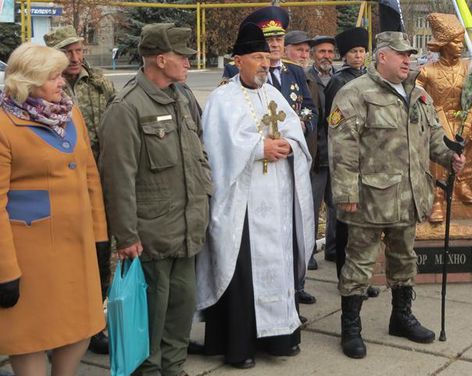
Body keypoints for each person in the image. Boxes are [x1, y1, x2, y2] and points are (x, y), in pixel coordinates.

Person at [328, 31, 465, 359]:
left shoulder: (418, 95)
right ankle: (351, 328)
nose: (408, 60)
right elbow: (342, 149)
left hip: (408, 195)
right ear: (382, 57)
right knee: (359, 265)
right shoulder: (355, 94)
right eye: (401, 54)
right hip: (369, 199)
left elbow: (432, 136)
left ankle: (401, 317)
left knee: (404, 259)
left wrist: (449, 156)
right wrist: (346, 192)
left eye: (410, 55)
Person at [196, 21, 315, 369]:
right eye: (258, 57)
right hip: (242, 204)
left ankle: (278, 340)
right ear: (238, 60)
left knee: (277, 266)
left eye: (267, 57)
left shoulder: (274, 95)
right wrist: (256, 147)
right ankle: (240, 345)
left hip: (275, 201)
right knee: (243, 272)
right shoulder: (222, 98)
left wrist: (289, 146)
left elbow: (295, 132)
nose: (265, 64)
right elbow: (216, 149)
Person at [99, 23, 211, 375]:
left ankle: (174, 369)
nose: (189, 63)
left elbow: (198, 157)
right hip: (151, 236)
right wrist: (127, 235)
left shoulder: (182, 97)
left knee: (180, 316)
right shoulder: (127, 106)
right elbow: (118, 178)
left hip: (186, 232)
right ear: (161, 60)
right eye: (183, 57)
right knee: (148, 321)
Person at [0, 43, 108, 376]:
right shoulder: (4, 125)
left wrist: (101, 238)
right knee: (30, 338)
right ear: (27, 81)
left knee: (79, 328)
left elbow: (91, 176)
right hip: (31, 259)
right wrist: (5, 272)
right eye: (53, 76)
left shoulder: (70, 112)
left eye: (61, 74)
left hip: (77, 249)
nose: (62, 82)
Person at [44, 25, 116, 355]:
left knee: (101, 255)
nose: (76, 57)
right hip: (61, 186)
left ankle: (96, 324)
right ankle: (57, 324)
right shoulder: (43, 86)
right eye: (68, 52)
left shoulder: (99, 82)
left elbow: (117, 121)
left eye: (79, 50)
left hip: (100, 180)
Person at [241, 9, 317, 307]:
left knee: (293, 225)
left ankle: (296, 286)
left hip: (290, 160)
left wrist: (301, 125)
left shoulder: (294, 72)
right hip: (261, 167)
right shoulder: (239, 72)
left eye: (278, 38)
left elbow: (309, 108)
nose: (274, 44)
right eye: (269, 39)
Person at [417, 13, 472, 221]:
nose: (460, 46)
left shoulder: (470, 67)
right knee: (441, 143)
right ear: (444, 45)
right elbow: (415, 98)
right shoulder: (427, 71)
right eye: (456, 42)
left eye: (461, 42)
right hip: (438, 121)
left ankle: (462, 181)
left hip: (464, 119)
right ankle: (437, 198)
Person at [323, 27, 379, 298]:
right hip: (347, 155)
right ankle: (346, 278)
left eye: (361, 52)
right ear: (345, 56)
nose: (359, 56)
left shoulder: (370, 78)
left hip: (367, 158)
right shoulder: (339, 81)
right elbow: (333, 119)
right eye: (354, 52)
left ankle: (362, 279)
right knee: (346, 222)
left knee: (364, 226)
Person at [285, 30, 323, 272]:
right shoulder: (276, 75)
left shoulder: (299, 76)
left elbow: (310, 109)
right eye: (299, 49)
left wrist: (303, 122)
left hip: (302, 155)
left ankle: (298, 277)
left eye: (307, 51)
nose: (303, 54)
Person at [308, 35, 337, 262]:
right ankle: (307, 253)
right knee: (311, 206)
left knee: (336, 206)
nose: (326, 56)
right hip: (316, 156)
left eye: (329, 52)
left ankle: (333, 249)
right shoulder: (306, 79)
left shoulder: (339, 78)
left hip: (337, 155)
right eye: (321, 52)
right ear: (313, 54)